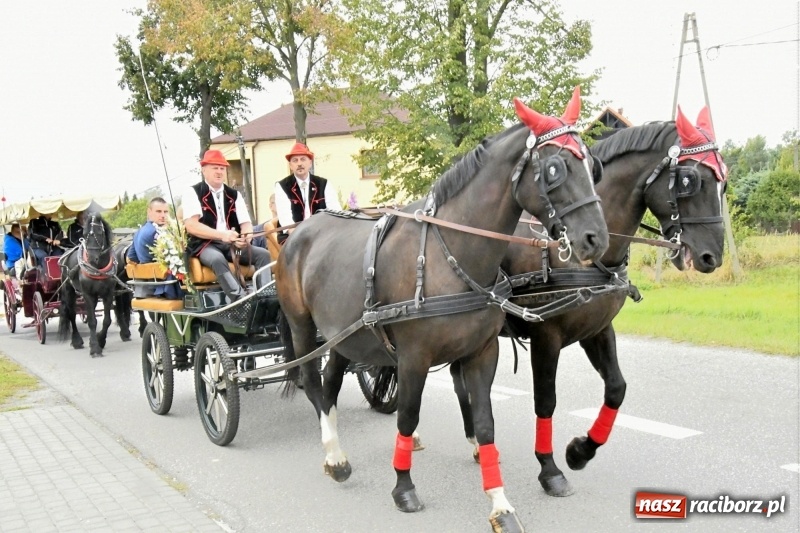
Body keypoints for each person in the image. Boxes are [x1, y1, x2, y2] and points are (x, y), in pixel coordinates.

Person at [183, 149, 271, 303]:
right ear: (204, 170)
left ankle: (265, 296)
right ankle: (239, 299)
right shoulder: (193, 192)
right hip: (205, 245)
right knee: (216, 259)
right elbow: (192, 226)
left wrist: (245, 238)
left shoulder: (235, 195)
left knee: (263, 254)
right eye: (214, 168)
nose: (219, 172)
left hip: (232, 243)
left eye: (222, 168)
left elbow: (246, 224)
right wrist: (222, 235)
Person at [274, 142, 342, 243]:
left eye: (303, 159)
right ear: (290, 166)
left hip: (322, 234)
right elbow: (286, 219)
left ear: (310, 162)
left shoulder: (324, 184)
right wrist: (299, 239)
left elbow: (335, 212)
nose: (299, 163)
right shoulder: (282, 186)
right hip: (292, 236)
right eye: (295, 160)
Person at [127, 197, 182, 299]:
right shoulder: (157, 232)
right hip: (164, 287)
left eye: (165, 212)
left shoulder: (138, 232)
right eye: (158, 211)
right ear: (149, 212)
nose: (163, 215)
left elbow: (130, 259)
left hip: (148, 286)